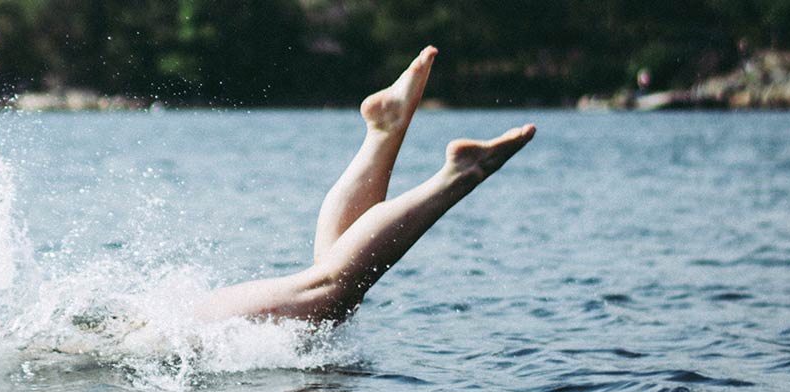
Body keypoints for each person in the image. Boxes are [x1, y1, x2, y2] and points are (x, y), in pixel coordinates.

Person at [193, 46, 535, 324]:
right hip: (156, 327)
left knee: (327, 292)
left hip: (158, 331)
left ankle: (460, 174)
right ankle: (385, 131)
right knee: (327, 294)